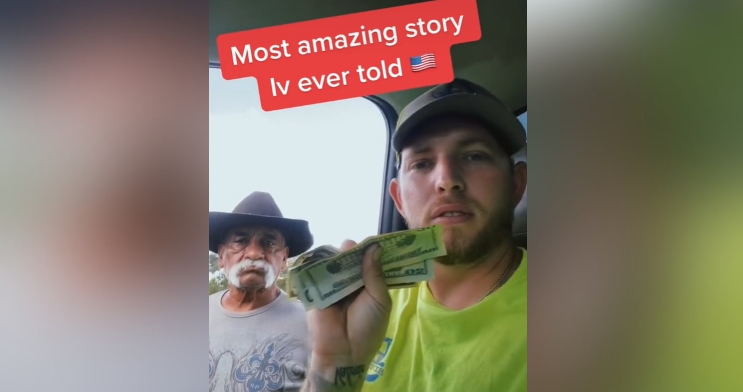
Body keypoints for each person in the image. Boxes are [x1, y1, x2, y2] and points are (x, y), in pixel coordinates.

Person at [301, 79, 528, 392]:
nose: (447, 180)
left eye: (475, 155)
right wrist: (334, 365)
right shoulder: (368, 308)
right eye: (422, 163)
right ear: (399, 199)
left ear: (517, 184)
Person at [209, 191, 315, 392]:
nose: (255, 253)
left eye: (269, 243)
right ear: (221, 256)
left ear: (284, 258)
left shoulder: (312, 324)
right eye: (241, 241)